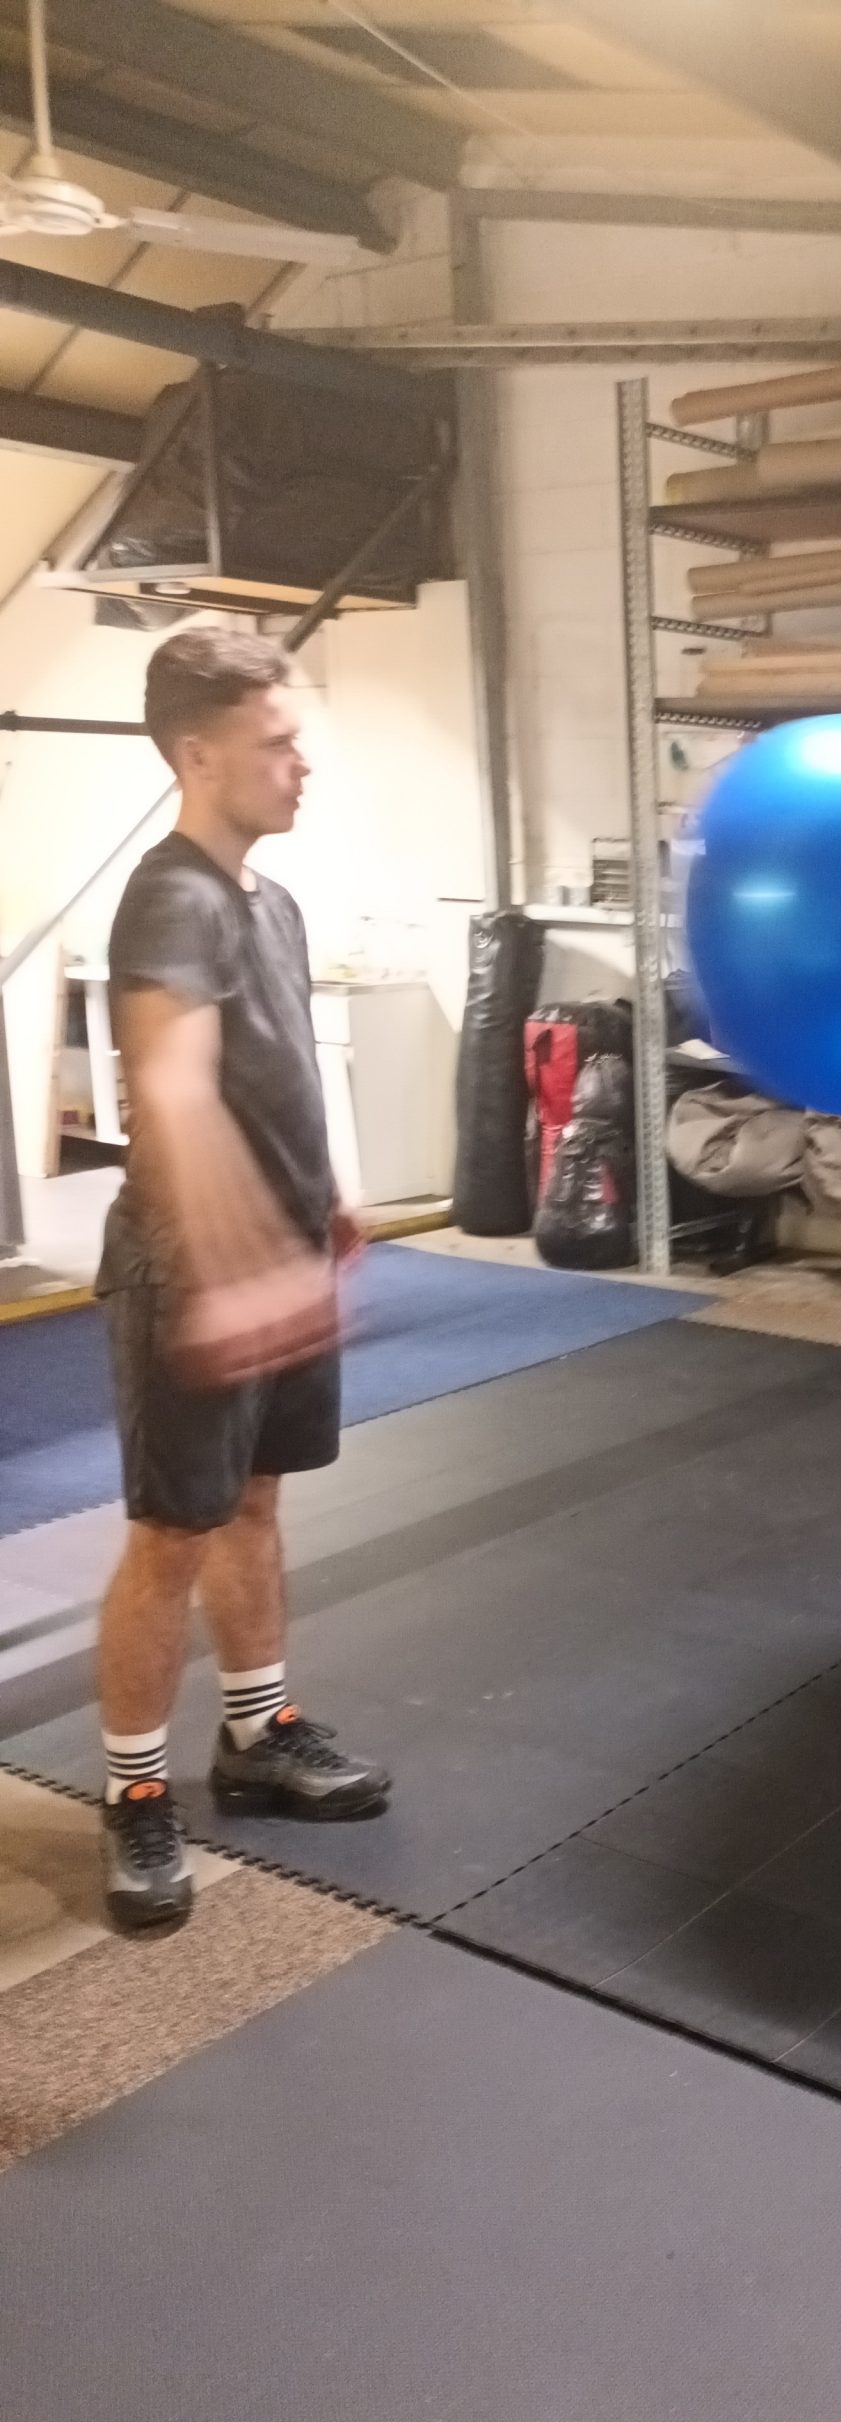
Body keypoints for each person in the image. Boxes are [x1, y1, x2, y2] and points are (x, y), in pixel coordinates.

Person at [94, 629, 390, 1934]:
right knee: (174, 1531)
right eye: (274, 744)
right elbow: (171, 1092)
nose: (299, 763)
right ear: (196, 754)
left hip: (278, 1252)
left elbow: (275, 1068)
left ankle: (258, 1731)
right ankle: (134, 1794)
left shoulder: (271, 902)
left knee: (256, 1502)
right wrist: (229, 1269)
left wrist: (323, 1197)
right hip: (193, 1268)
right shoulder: (171, 900)